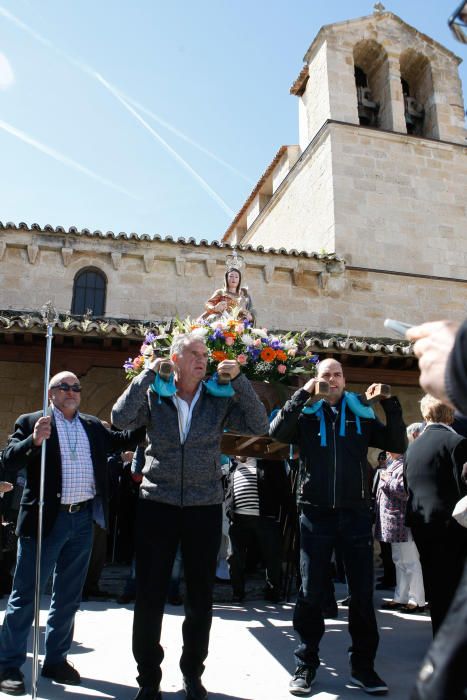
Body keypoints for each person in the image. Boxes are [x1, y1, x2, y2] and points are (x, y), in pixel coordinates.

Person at [111, 331, 269, 700]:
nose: (203, 359)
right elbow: (120, 419)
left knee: (200, 598)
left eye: (205, 355)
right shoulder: (154, 393)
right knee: (150, 597)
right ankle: (148, 678)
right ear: (176, 359)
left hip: (204, 506)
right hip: (157, 504)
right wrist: (148, 374)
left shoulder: (218, 398)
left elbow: (259, 427)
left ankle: (192, 674)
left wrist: (242, 380)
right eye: (195, 353)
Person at [0, 371, 143, 696]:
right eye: (64, 387)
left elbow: (121, 440)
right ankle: (7, 664)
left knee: (67, 596)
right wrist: (32, 441)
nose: (71, 391)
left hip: (81, 521)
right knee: (26, 596)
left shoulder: (92, 425)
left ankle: (56, 660)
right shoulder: (32, 421)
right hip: (45, 520)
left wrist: (151, 418)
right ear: (51, 393)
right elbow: (8, 461)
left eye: (76, 387)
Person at [270, 358, 407, 696]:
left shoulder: (361, 415)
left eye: (337, 374)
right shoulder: (306, 416)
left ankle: (363, 667)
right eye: (325, 375)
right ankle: (305, 664)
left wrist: (390, 403)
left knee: (361, 594)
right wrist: (302, 394)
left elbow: (397, 443)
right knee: (310, 593)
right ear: (317, 381)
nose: (332, 379)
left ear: (345, 380)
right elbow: (275, 432)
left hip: (356, 515)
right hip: (315, 514)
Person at [404, 394, 467, 635]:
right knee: (455, 585)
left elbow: (406, 486)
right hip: (453, 527)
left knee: (435, 584)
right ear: (450, 413)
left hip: (421, 525)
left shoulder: (413, 447)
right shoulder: (457, 443)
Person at [225, 455, 292, 603]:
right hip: (239, 519)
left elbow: (282, 489)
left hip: (265, 517)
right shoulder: (233, 467)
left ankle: (273, 592)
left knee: (272, 555)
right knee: (234, 557)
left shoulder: (269, 462)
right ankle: (238, 592)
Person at [375, 451, 425, 613]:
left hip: (402, 520)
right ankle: (401, 596)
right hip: (393, 521)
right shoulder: (392, 463)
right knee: (399, 560)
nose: (387, 452)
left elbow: (405, 492)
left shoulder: (405, 463)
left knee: (410, 561)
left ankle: (417, 600)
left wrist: (387, 479)